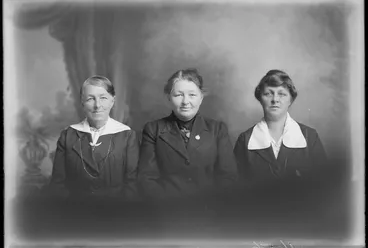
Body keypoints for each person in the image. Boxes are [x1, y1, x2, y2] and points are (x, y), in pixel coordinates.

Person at [137, 68, 238, 201]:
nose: (185, 102)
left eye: (192, 95)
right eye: (179, 95)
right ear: (168, 97)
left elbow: (228, 177)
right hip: (166, 210)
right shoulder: (153, 130)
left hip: (209, 211)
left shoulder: (217, 129)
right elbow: (146, 179)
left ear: (201, 98)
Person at [48, 76, 140, 202]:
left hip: (117, 213)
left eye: (103, 98)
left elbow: (132, 185)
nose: (97, 105)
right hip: (75, 213)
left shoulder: (127, 136)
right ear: (82, 103)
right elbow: (57, 185)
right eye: (90, 99)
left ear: (112, 101)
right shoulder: (68, 135)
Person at [234, 69, 328, 188]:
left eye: (282, 94)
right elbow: (236, 187)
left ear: (290, 99)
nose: (275, 99)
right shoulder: (245, 140)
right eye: (268, 93)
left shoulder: (309, 137)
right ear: (260, 99)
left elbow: (324, 184)